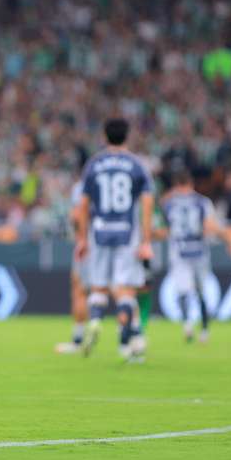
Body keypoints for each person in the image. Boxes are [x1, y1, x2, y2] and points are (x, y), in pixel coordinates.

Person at [75, 118, 154, 362]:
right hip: (126, 232)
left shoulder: (94, 164)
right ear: (127, 136)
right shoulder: (136, 164)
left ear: (104, 136)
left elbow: (83, 204)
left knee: (98, 287)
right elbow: (147, 203)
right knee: (126, 290)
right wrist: (146, 240)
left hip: (99, 231)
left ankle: (95, 320)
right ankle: (126, 342)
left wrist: (82, 238)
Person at [159, 172, 231, 343]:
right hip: (199, 250)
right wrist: (229, 238)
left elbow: (165, 223)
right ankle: (204, 330)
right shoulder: (202, 202)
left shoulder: (170, 202)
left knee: (183, 291)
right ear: (191, 183)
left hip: (178, 251)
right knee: (200, 291)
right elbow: (209, 225)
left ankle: (187, 324)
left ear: (176, 185)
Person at [56, 178, 89, 354]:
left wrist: (81, 236)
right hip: (120, 243)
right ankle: (131, 339)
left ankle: (78, 340)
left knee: (79, 290)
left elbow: (77, 214)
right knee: (123, 291)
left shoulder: (82, 185)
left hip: (89, 243)